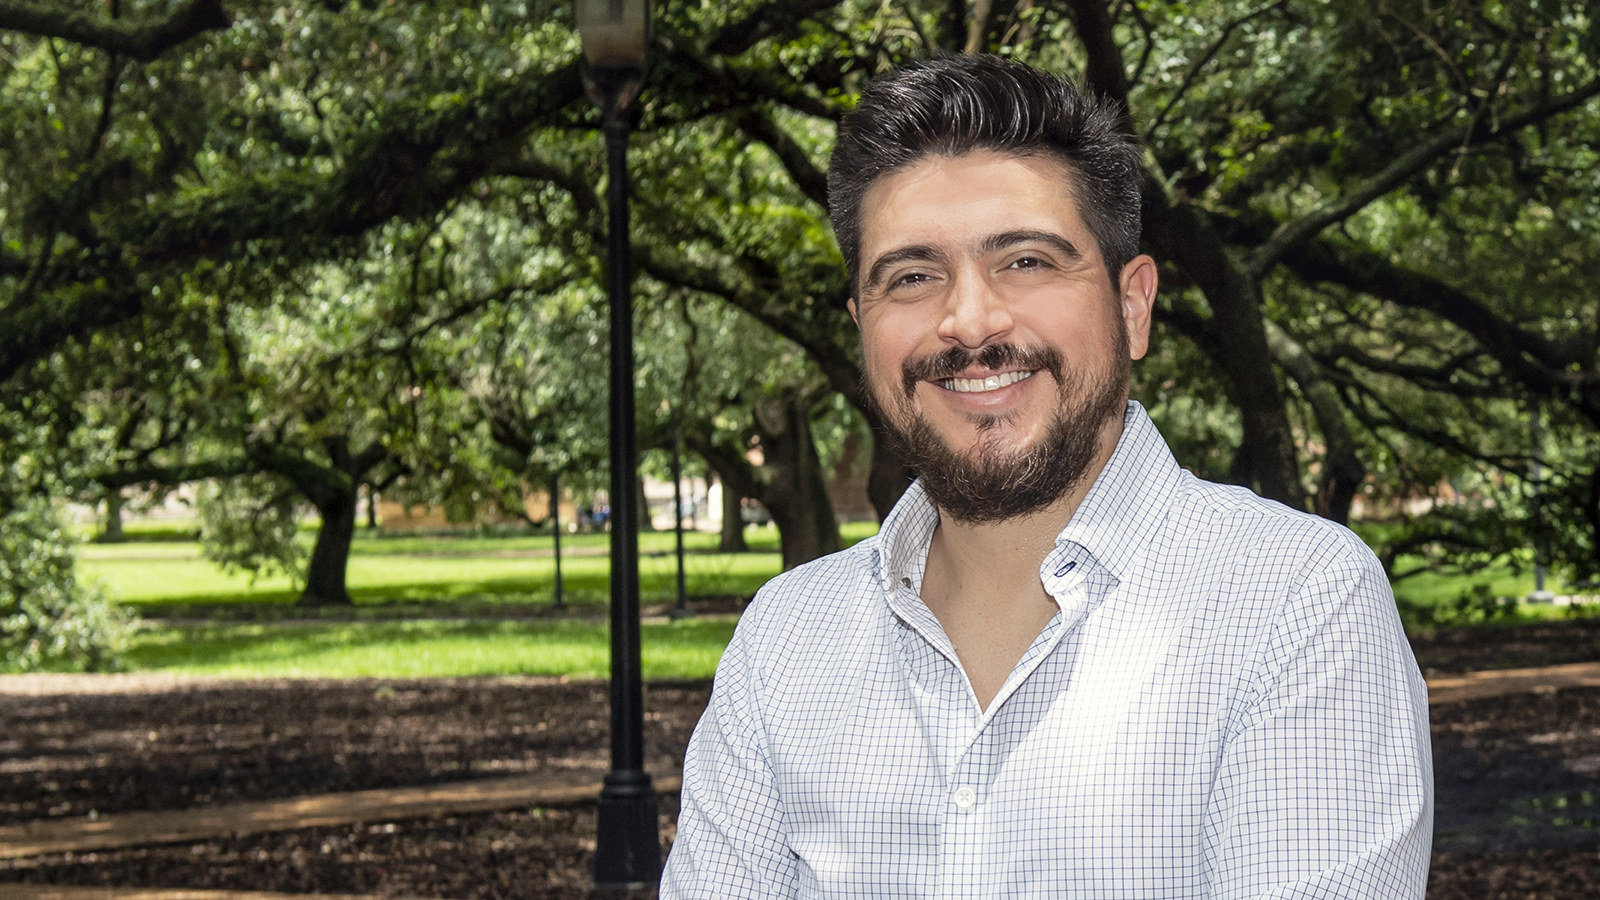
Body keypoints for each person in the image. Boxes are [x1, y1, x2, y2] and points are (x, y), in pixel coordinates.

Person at [661, 54, 1431, 899]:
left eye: (1025, 260)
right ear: (861, 326)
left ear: (1132, 306)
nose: (969, 322)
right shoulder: (785, 640)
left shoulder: (1298, 605)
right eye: (911, 277)